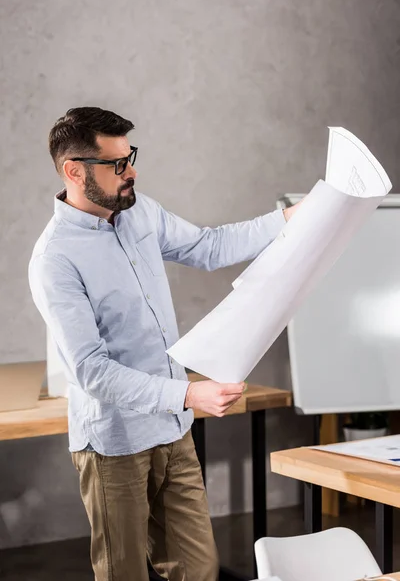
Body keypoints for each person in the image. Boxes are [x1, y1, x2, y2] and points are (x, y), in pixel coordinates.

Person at [29, 107, 301, 581]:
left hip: (173, 431)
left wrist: (292, 219)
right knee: (124, 574)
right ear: (74, 171)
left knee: (199, 570)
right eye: (117, 164)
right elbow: (92, 371)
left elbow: (210, 246)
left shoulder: (141, 212)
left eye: (129, 156)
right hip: (115, 445)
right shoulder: (55, 259)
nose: (131, 171)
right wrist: (190, 394)